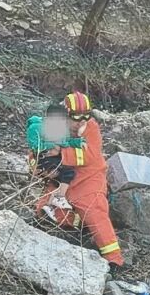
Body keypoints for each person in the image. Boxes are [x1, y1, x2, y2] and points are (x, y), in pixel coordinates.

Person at [33, 91, 125, 269]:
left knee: (94, 212)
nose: (81, 122)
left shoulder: (91, 127)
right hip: (60, 180)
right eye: (76, 118)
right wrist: (42, 169)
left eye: (85, 117)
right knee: (43, 211)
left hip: (88, 177)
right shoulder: (53, 126)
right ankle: (80, 224)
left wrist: (61, 153)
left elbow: (89, 155)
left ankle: (114, 259)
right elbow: (36, 153)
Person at [27, 104, 83, 214]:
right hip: (42, 159)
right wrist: (53, 146)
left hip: (56, 159)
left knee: (62, 179)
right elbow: (35, 146)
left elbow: (66, 142)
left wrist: (78, 142)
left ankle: (49, 206)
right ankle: (58, 198)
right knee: (67, 173)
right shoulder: (36, 127)